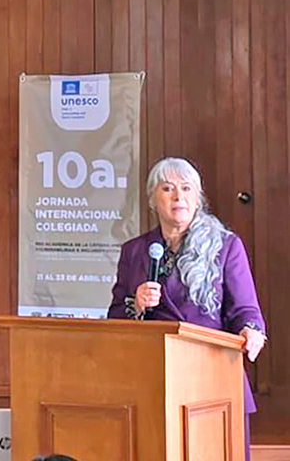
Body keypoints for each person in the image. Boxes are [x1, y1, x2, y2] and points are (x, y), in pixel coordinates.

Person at [108, 157, 266, 461]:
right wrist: (136, 304)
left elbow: (245, 310)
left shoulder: (226, 247)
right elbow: (115, 317)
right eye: (167, 188)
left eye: (186, 188)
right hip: (152, 382)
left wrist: (251, 331)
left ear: (198, 198)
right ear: (153, 200)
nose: (178, 196)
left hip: (213, 377)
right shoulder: (134, 251)